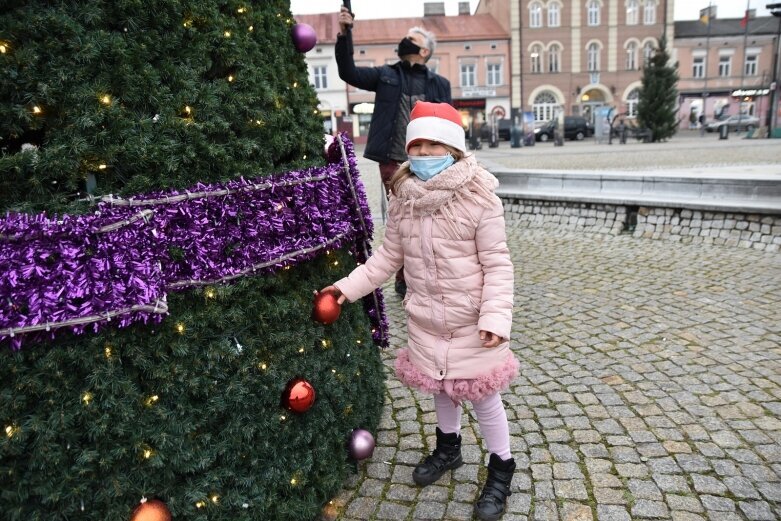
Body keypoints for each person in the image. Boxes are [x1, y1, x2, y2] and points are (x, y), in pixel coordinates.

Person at [318, 102, 519, 521]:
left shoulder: (479, 198)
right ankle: (448, 449)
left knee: (483, 398)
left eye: (434, 145)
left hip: (472, 322)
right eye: (418, 146)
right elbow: (386, 259)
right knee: (441, 388)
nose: (424, 154)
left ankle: (501, 468)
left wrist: (495, 319)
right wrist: (345, 288)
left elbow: (498, 264)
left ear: (454, 149)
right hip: (427, 319)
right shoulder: (404, 199)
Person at [335, 6, 453, 296]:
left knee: (433, 219)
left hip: (431, 162)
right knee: (402, 222)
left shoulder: (440, 84)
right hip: (393, 162)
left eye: (411, 39)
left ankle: (434, 274)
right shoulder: (385, 75)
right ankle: (404, 279)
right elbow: (347, 71)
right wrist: (345, 33)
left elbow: (448, 125)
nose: (405, 41)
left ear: (425, 51)